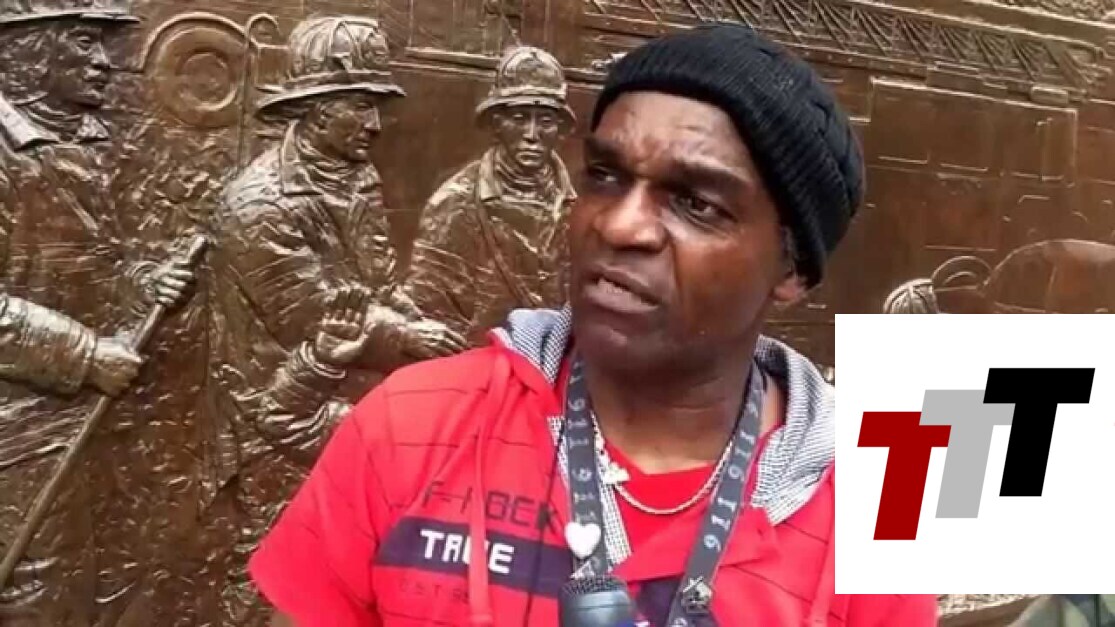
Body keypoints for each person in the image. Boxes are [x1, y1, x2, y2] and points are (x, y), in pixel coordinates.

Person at [249, 24, 939, 626]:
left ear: (792, 269)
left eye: (696, 203)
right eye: (605, 176)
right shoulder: (406, 426)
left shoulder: (877, 504)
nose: (619, 224)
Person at [208, 16, 466, 622]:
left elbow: (376, 282)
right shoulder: (259, 205)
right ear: (318, 111)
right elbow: (314, 315)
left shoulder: (356, 176)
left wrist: (416, 316)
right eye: (361, 106)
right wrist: (411, 335)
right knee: (276, 583)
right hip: (278, 417)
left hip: (353, 408)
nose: (376, 124)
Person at [0, 1, 197, 622]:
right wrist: (84, 355)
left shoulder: (83, 142)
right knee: (39, 597)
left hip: (85, 423)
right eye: (85, 41)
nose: (106, 61)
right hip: (19, 436)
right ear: (30, 49)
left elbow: (91, 264)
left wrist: (146, 282)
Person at [406, 45, 577, 346]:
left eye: (546, 121)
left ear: (560, 128)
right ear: (497, 124)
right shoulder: (454, 203)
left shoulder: (579, 205)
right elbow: (431, 315)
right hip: (480, 362)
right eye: (519, 118)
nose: (532, 134)